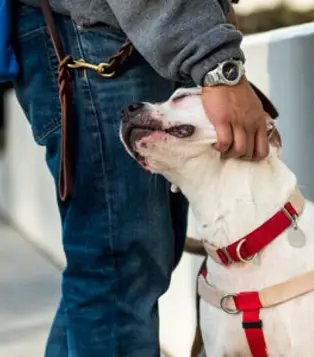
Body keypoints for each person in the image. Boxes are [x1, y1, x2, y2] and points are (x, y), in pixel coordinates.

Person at [10, 0, 268, 356]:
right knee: (119, 271)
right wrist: (216, 63)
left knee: (118, 269)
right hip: (96, 38)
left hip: (115, 34)